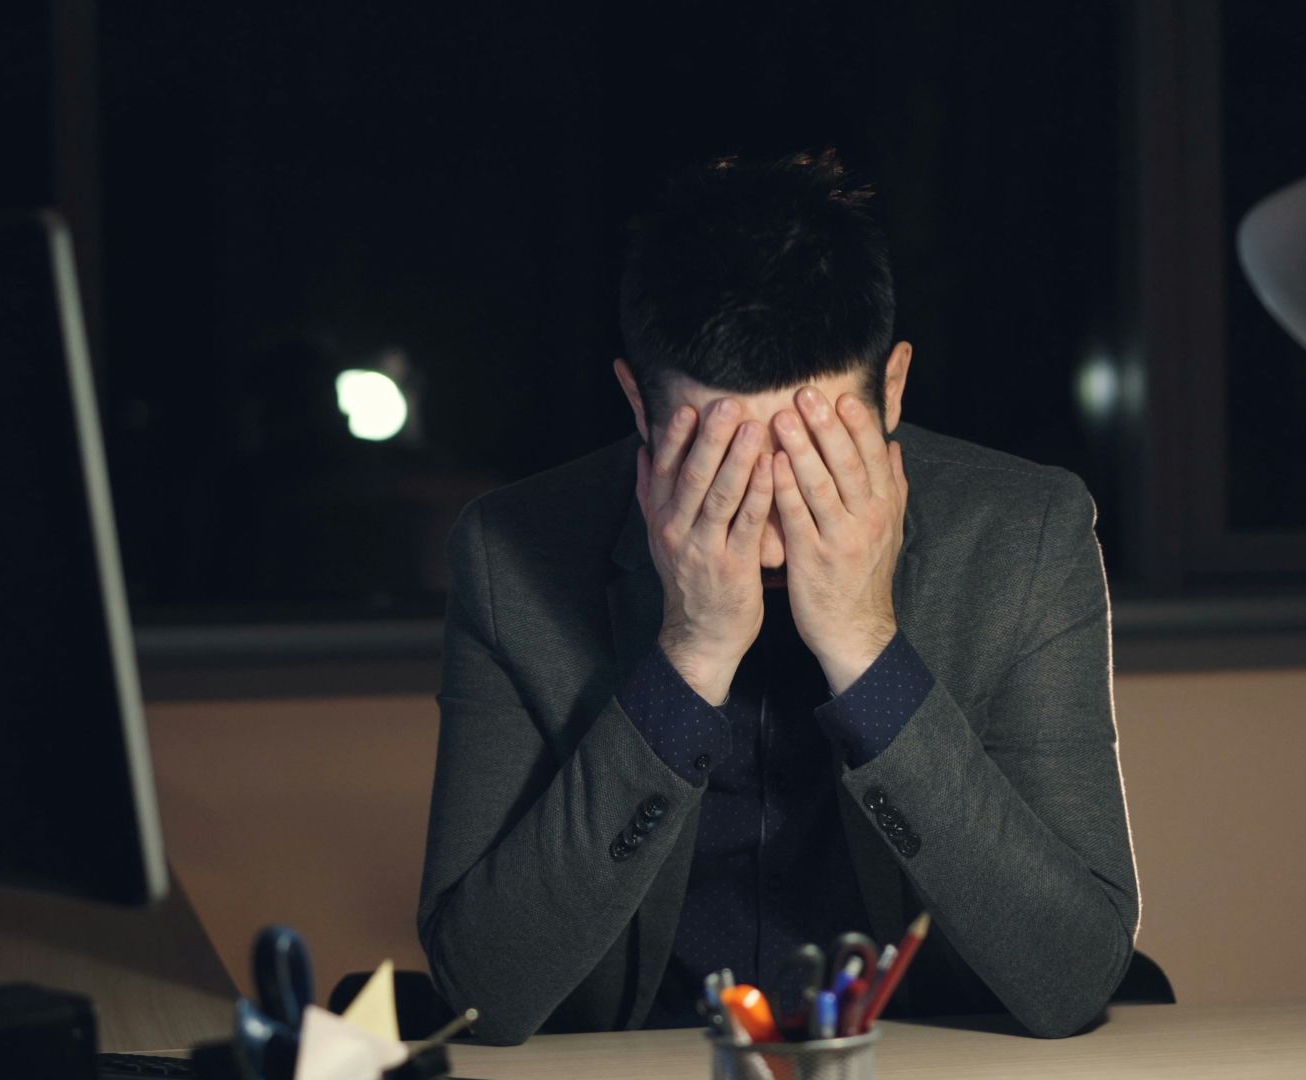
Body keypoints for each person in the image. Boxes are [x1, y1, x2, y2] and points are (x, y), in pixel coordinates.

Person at [417, 149, 1139, 1045]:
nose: (767, 508)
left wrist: (866, 646)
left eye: (814, 451)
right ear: (637, 406)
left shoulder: (1028, 534)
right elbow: (483, 991)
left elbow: (1073, 975)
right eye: (716, 458)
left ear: (895, 391)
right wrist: (689, 653)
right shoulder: (509, 555)